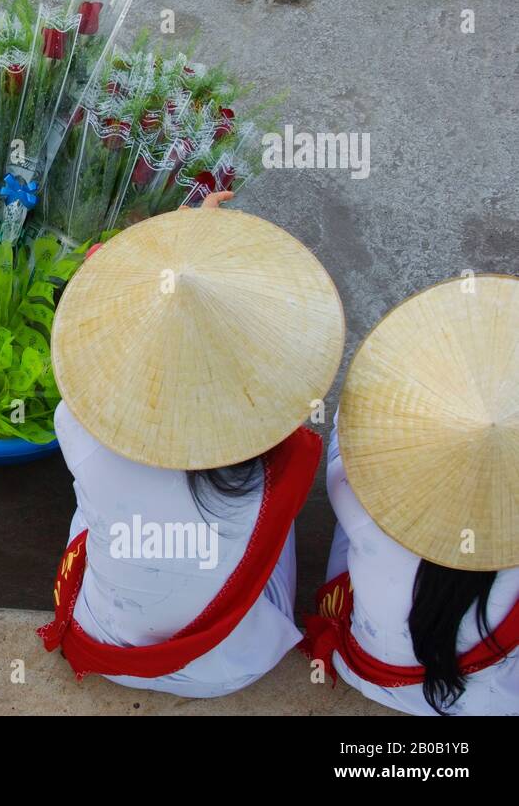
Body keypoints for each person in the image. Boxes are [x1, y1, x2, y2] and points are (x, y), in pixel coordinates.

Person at [40, 202, 345, 697]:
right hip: (228, 667)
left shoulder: (76, 425)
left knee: (92, 505)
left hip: (107, 638)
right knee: (273, 527)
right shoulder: (262, 474)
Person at [303, 274, 519, 715]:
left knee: (361, 526)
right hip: (489, 702)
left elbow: (355, 424)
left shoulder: (353, 498)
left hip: (367, 671)